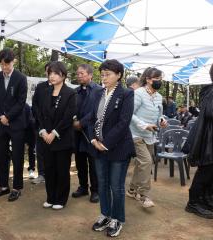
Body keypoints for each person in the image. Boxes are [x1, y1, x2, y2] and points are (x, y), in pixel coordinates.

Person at [89, 59, 135, 237]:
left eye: (108, 74)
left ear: (119, 75)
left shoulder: (126, 94)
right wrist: (93, 140)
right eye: (102, 74)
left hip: (118, 148)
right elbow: (90, 118)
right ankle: (105, 214)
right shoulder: (97, 93)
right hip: (97, 146)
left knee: (116, 186)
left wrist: (105, 142)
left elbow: (124, 123)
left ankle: (117, 218)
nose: (104, 77)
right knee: (103, 184)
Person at [127, 67, 168, 209]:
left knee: (141, 164)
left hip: (150, 136)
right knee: (147, 161)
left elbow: (159, 115)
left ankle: (132, 189)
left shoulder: (158, 96)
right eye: (157, 79)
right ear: (148, 79)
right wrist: (144, 125)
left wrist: (162, 121)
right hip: (136, 134)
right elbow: (130, 114)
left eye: (160, 79)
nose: (159, 82)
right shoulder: (138, 94)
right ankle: (143, 195)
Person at [38, 61, 76, 210]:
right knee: (49, 169)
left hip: (62, 138)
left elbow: (68, 116)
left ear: (63, 75)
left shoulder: (70, 93)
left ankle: (61, 199)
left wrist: (54, 133)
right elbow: (39, 113)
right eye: (50, 73)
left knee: (62, 169)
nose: (52, 76)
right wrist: (43, 131)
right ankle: (50, 197)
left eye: (55, 73)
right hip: (46, 138)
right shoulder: (45, 92)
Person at [0, 48, 28, 202]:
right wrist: (1, 116)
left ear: (13, 62)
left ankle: (17, 187)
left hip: (17, 123)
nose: (5, 67)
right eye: (2, 64)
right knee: (1, 155)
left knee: (18, 155)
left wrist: (8, 116)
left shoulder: (20, 78)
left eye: (7, 64)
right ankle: (4, 186)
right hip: (2, 123)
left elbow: (21, 102)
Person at [184, 64, 213, 218]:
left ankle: (206, 200)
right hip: (208, 143)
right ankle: (193, 203)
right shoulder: (209, 91)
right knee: (205, 172)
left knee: (210, 174)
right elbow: (209, 112)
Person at [71, 64, 102, 203]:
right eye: (78, 74)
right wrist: (74, 120)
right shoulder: (75, 91)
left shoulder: (99, 90)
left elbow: (96, 111)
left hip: (91, 132)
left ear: (90, 75)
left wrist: (82, 123)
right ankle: (83, 187)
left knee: (93, 162)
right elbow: (71, 110)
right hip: (76, 133)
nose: (79, 76)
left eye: (82, 73)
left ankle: (95, 190)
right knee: (80, 161)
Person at [31, 62, 51, 184]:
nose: (50, 74)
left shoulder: (61, 88)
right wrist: (39, 120)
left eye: (53, 71)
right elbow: (35, 105)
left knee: (53, 152)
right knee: (40, 151)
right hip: (40, 124)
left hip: (55, 127)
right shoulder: (41, 86)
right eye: (48, 71)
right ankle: (42, 174)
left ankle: (52, 175)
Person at [24, 103, 36, 179]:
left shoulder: (27, 107)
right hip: (18, 131)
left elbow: (31, 120)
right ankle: (17, 171)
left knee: (31, 150)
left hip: (30, 131)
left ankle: (31, 169)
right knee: (18, 151)